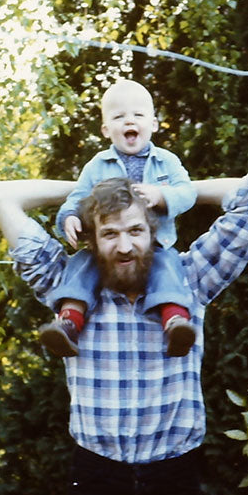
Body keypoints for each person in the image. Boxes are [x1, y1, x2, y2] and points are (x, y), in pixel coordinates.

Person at [0, 165, 248, 495]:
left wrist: (168, 193)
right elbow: (1, 195)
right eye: (110, 233)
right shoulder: (64, 285)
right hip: (97, 474)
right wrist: (92, 191)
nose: (125, 246)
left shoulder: (191, 279)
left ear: (153, 233)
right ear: (91, 239)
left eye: (136, 230)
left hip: (174, 474)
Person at [41, 79, 198, 358]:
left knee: (168, 268)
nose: (130, 121)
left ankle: (175, 323)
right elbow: (77, 197)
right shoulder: (97, 165)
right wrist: (69, 217)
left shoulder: (166, 161)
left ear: (154, 123)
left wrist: (162, 197)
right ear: (105, 129)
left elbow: (187, 193)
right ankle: (69, 322)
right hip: (106, 249)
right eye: (119, 116)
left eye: (138, 115)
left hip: (156, 244)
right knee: (80, 265)